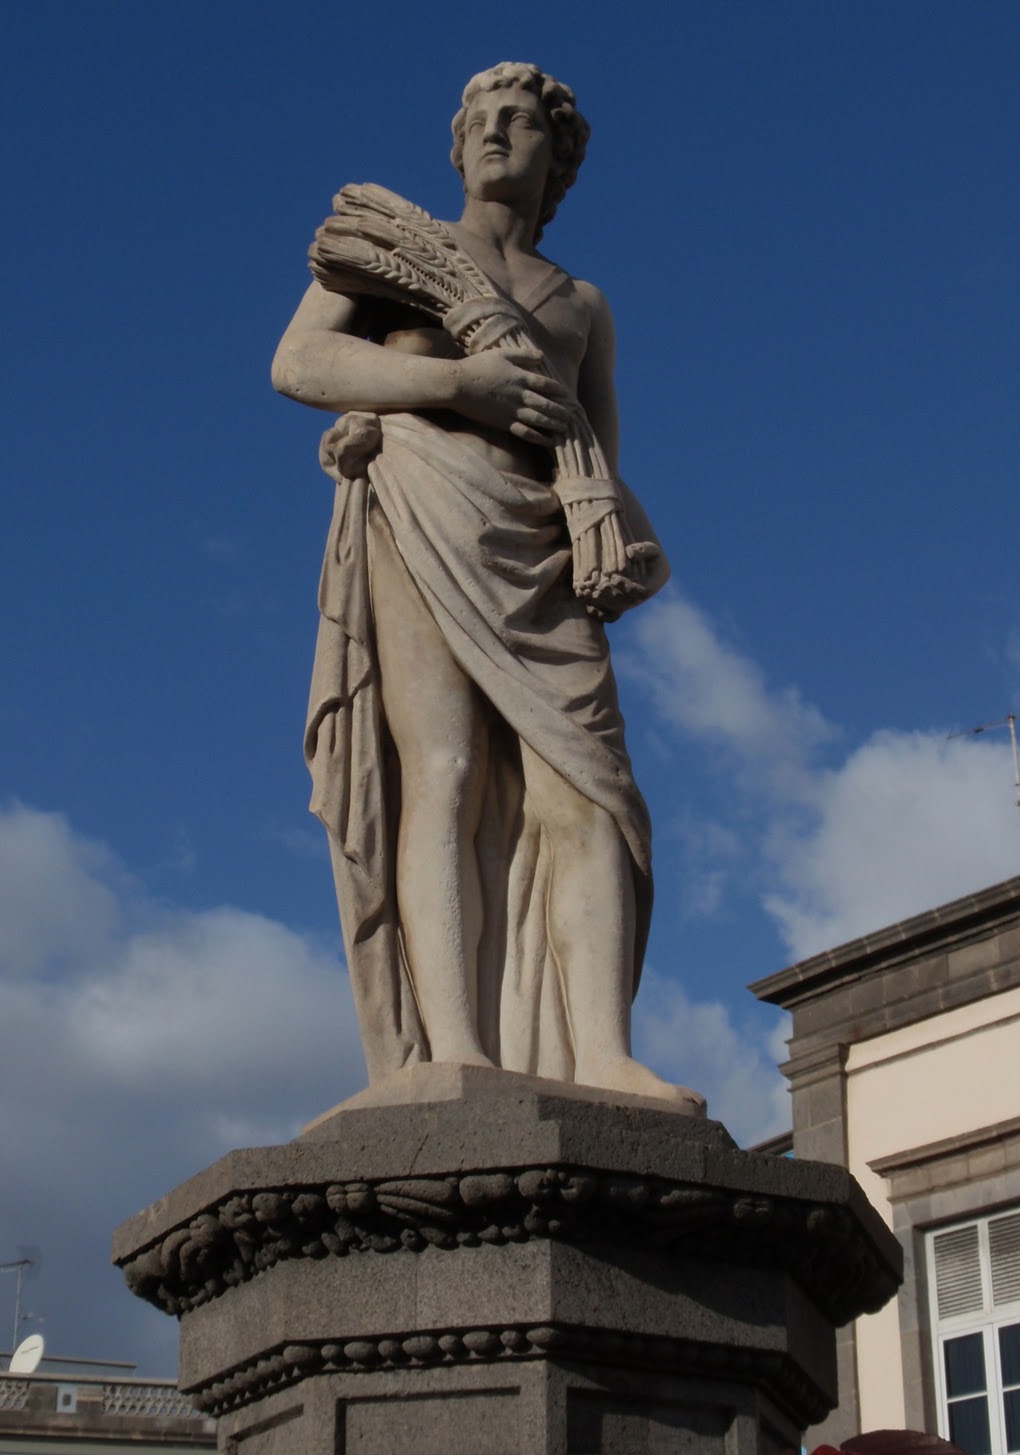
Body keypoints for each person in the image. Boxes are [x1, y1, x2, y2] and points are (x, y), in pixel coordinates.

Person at [273, 63, 701, 1109]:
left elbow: (596, 446)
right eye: (484, 122)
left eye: (525, 124)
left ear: (557, 162)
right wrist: (450, 383)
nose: (502, 133)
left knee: (588, 785)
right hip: (427, 498)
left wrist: (618, 526)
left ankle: (602, 1049)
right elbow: (297, 362)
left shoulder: (582, 302)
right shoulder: (396, 249)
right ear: (457, 148)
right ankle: (452, 1043)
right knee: (448, 769)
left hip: (543, 534)